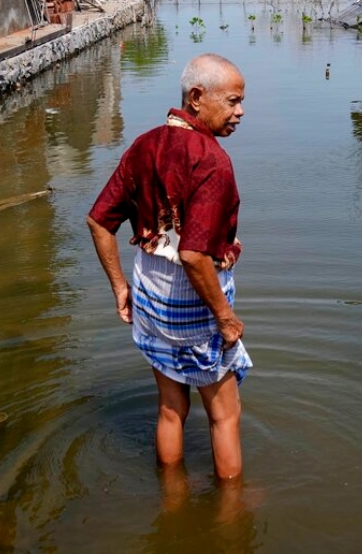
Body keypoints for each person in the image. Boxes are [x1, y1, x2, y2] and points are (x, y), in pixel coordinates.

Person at [86, 53, 251, 480]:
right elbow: (194, 255)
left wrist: (120, 287)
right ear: (197, 98)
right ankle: (232, 515)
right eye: (232, 101)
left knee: (171, 408)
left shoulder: (146, 145)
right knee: (225, 414)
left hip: (150, 295)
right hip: (193, 303)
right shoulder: (211, 160)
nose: (240, 112)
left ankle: (173, 504)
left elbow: (99, 221)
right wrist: (226, 318)